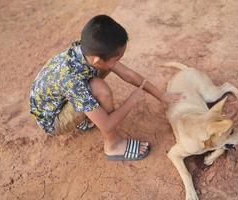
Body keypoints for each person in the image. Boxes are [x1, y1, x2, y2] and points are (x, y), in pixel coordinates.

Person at [29, 15, 183, 161]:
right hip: (53, 120)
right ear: (97, 60)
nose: (118, 62)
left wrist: (161, 96)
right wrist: (131, 100)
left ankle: (87, 114)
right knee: (100, 90)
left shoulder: (87, 49)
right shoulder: (74, 82)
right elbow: (107, 124)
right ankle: (113, 145)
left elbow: (128, 75)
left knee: (103, 73)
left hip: (59, 99)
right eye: (117, 59)